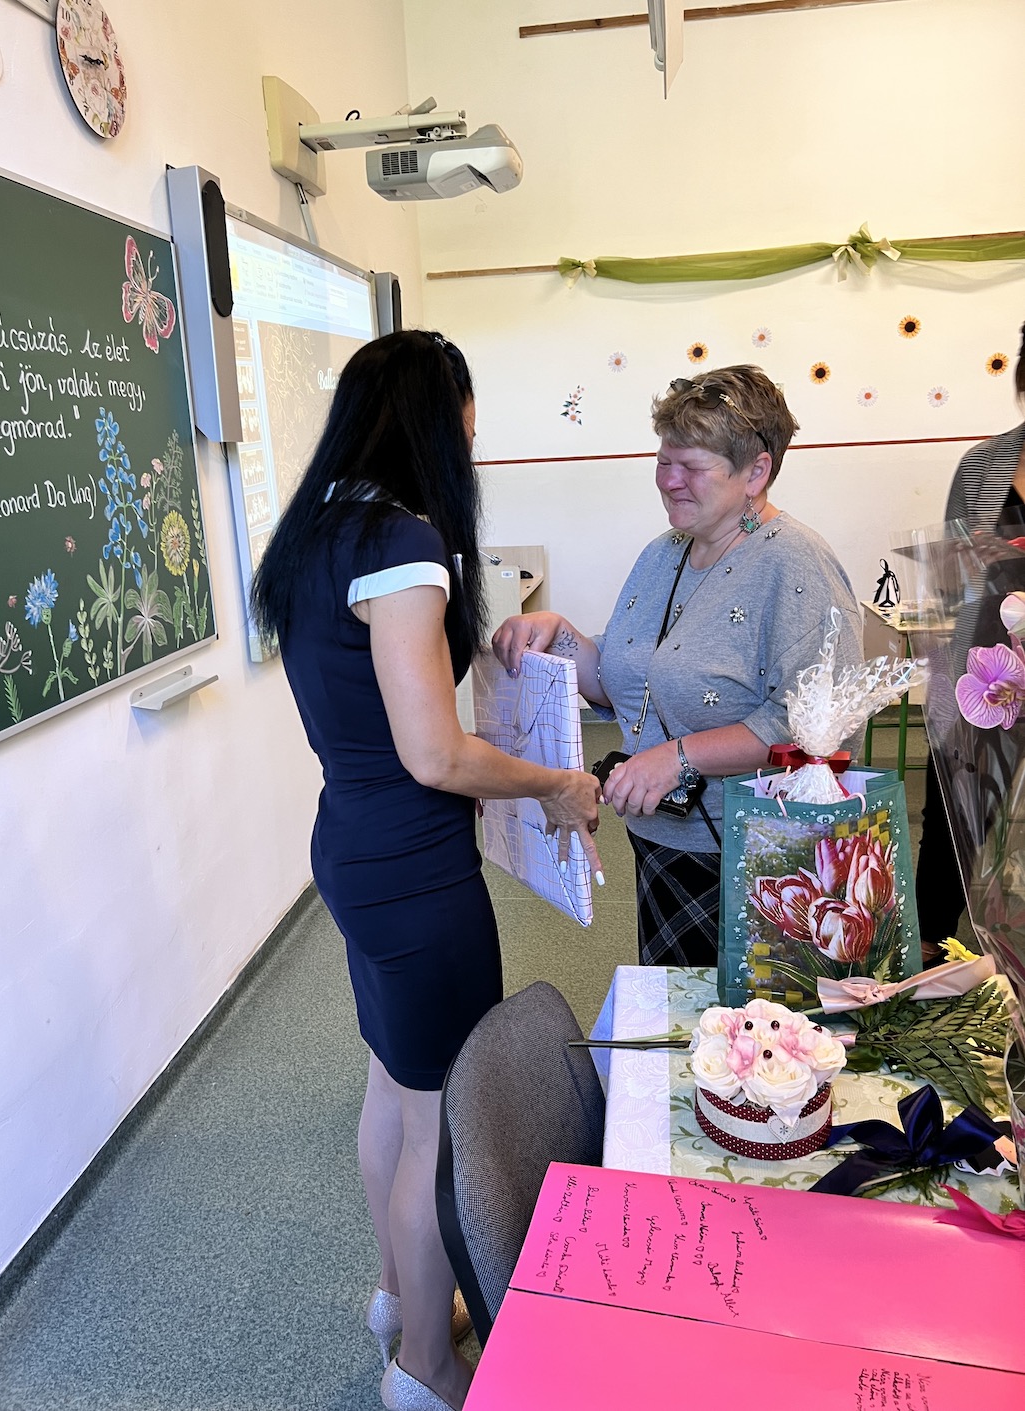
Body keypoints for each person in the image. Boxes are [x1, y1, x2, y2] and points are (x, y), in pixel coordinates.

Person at [250, 330, 601, 1411]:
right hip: (412, 866)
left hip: (353, 845)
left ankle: (401, 1300)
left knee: (393, 1090)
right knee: (440, 1121)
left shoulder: (316, 530)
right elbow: (435, 755)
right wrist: (553, 782)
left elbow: (383, 716)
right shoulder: (400, 542)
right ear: (433, 425)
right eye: (466, 428)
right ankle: (424, 1365)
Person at [493, 366, 862, 968]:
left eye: (691, 466)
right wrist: (559, 638)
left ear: (756, 472)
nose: (669, 481)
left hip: (761, 857)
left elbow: (819, 730)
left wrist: (679, 757)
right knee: (680, 1011)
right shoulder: (663, 553)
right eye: (664, 461)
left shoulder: (796, 563)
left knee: (751, 1018)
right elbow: (626, 678)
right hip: (661, 840)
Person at [915, 323, 1025, 958]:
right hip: (982, 680)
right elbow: (950, 582)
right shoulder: (984, 464)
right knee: (956, 824)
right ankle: (931, 947)